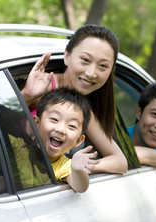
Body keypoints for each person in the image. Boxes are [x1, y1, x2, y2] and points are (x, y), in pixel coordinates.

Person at [20, 24, 127, 174]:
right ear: (67, 56)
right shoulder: (40, 85)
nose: (91, 73)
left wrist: (68, 167)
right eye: (85, 60)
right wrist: (26, 96)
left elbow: (120, 162)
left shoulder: (81, 109)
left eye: (103, 66)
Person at [0, 87, 100, 194]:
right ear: (36, 124)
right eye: (54, 119)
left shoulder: (63, 165)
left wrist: (78, 170)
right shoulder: (19, 146)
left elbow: (80, 187)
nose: (61, 130)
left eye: (71, 126)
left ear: (78, 141)